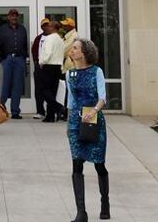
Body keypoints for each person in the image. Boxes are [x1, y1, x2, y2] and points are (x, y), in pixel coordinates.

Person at [66, 39, 109, 222]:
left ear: (84, 53)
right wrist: (68, 124)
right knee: (77, 163)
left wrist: (93, 111)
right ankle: (81, 212)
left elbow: (102, 97)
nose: (72, 50)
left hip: (93, 119)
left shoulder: (96, 71)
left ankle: (105, 202)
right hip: (76, 121)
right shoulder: (69, 74)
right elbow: (70, 101)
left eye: (75, 48)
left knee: (99, 163)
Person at [0, 8, 28, 119]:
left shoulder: (22, 29)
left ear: (18, 17)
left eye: (16, 15)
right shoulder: (2, 29)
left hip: (19, 59)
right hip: (7, 59)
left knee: (17, 86)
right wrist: (2, 58)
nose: (14, 17)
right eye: (12, 15)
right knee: (4, 85)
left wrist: (24, 60)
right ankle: (0, 110)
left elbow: (25, 45)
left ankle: (15, 112)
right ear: (8, 17)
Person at [39, 20, 65, 122]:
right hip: (57, 66)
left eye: (49, 26)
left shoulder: (49, 38)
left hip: (48, 66)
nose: (47, 28)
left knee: (44, 90)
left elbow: (48, 52)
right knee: (52, 91)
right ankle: (50, 115)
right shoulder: (60, 39)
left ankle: (58, 107)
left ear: (53, 28)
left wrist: (42, 62)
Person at [30, 18, 49, 120]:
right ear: (41, 27)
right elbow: (34, 51)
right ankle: (40, 111)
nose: (46, 27)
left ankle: (51, 111)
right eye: (44, 25)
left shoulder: (54, 37)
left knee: (50, 90)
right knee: (38, 90)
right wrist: (36, 63)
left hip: (50, 67)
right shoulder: (38, 38)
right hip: (39, 68)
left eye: (47, 25)